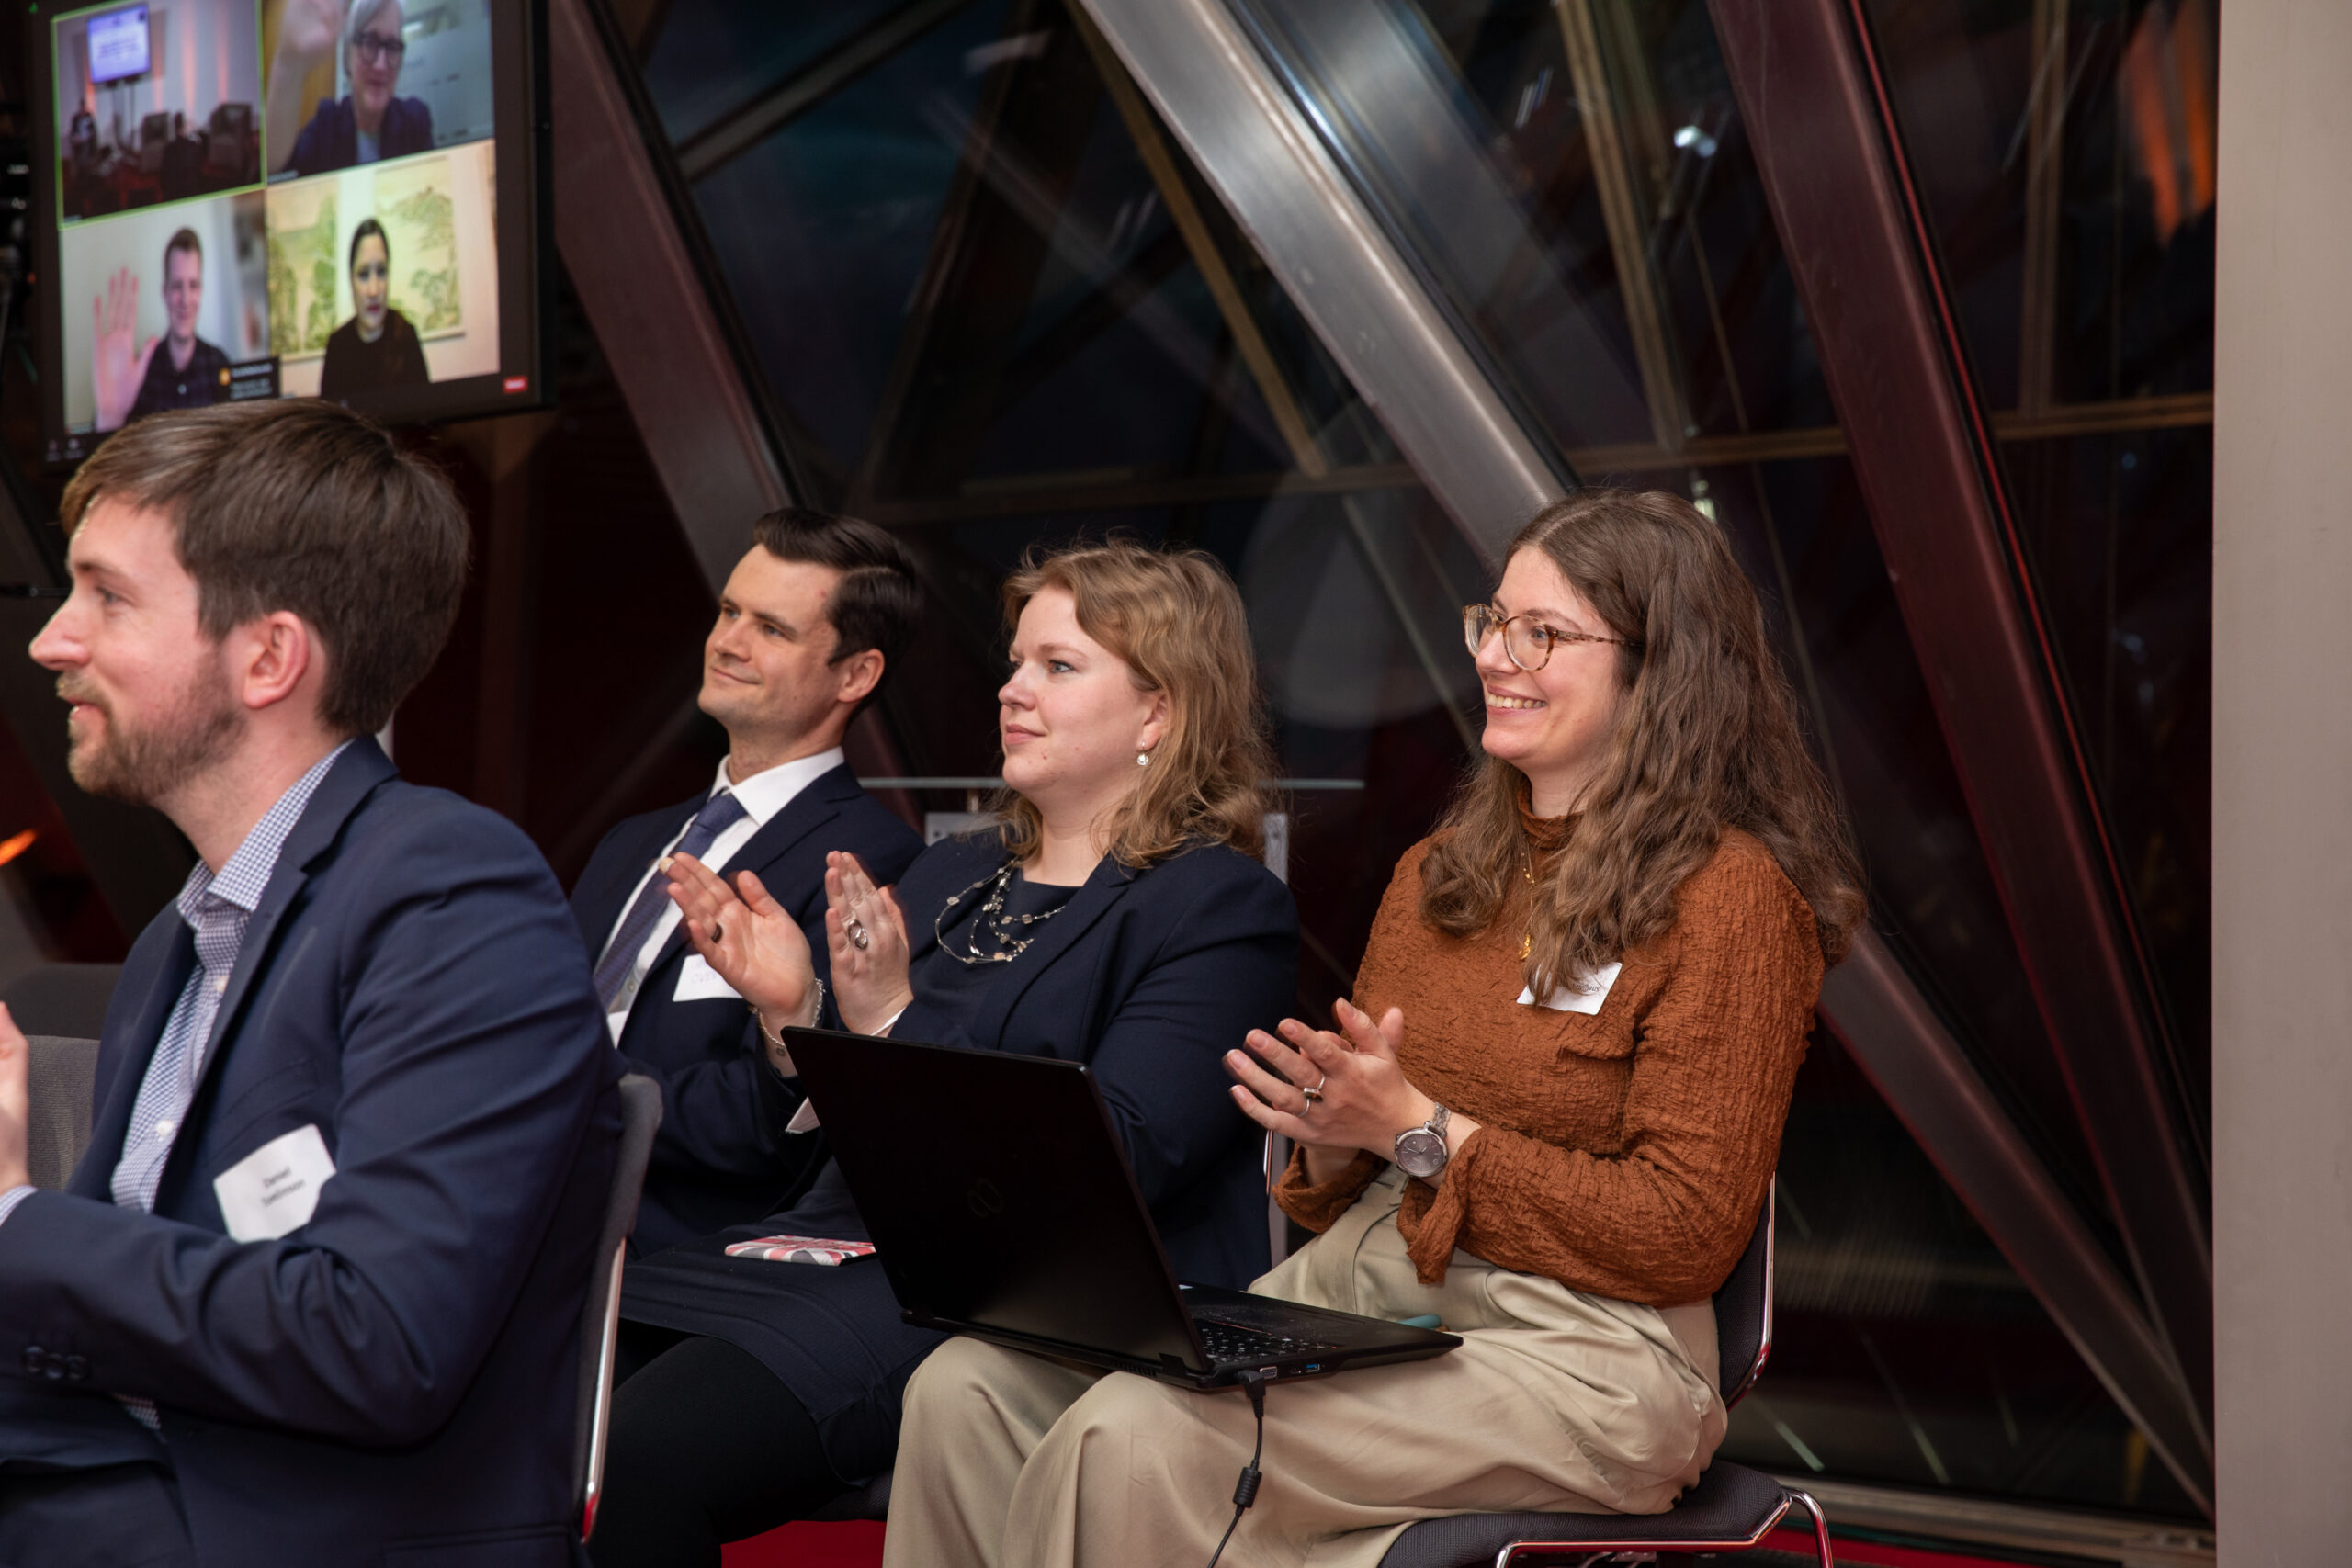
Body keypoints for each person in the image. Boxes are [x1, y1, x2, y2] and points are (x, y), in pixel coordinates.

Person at [884, 491, 1867, 1568]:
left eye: (1541, 634)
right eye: (1492, 622)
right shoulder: (1440, 874)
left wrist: (1421, 1129)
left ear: (1659, 667)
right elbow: (1344, 1181)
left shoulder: (1730, 900)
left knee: (1137, 1438)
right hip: (1360, 1296)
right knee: (965, 1391)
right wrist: (1328, 1127)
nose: (1492, 656)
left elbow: (1682, 1231)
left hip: (1580, 1352)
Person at [586, 539, 1301, 1566]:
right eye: (1016, 663)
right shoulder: (952, 872)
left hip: (1009, 1296)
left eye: (1058, 666)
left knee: (643, 1457)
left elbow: (1119, 1160)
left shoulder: (1218, 906)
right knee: (539, 1403)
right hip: (821, 1250)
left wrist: (885, 1019)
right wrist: (794, 1018)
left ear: (1159, 712)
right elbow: (815, 1142)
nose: (1012, 690)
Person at [0, 400, 623, 1565]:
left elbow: (377, 1339)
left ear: (268, 658)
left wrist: (13, 1218)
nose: (52, 641)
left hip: (291, 1527)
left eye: (108, 597)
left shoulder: (452, 894)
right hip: (134, 1476)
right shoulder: (180, 940)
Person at [571, 508, 925, 1255]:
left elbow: (769, 1122)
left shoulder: (871, 862)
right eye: (730, 610)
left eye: (771, 628)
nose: (727, 641)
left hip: (671, 1261)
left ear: (856, 675)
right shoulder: (629, 843)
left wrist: (559, 1092)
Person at [267, 0, 433, 179]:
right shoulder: (326, 125)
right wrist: (288, 63)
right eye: (369, 43)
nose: (380, 65)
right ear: (348, 55)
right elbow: (273, 166)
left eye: (392, 47)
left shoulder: (415, 122)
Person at [91, 231, 231, 434]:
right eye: (176, 286)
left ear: (201, 291)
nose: (185, 300)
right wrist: (111, 415)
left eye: (193, 285)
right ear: (164, 292)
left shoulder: (220, 363)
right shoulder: (136, 375)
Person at [318, 218, 429, 399]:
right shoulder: (337, 347)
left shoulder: (407, 337)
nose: (374, 290)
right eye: (363, 274)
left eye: (381, 272)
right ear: (351, 280)